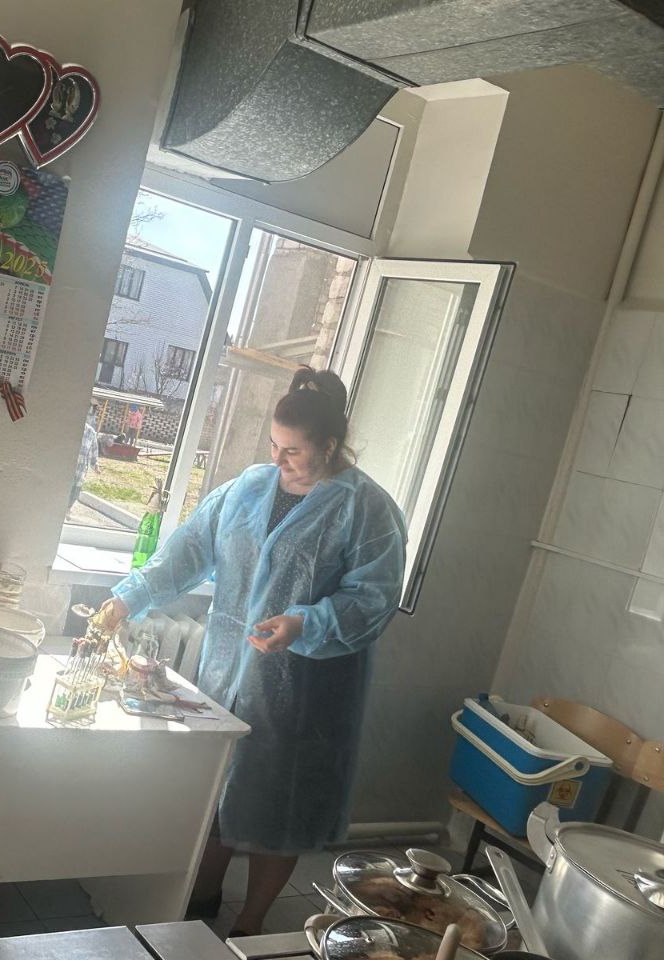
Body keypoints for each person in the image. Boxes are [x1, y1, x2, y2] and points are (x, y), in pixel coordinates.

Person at [98, 367, 405, 936]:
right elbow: (186, 552)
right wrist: (126, 598)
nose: (279, 459)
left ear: (329, 446)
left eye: (293, 450)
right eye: (273, 445)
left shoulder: (366, 509)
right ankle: (201, 896)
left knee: (280, 810)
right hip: (227, 674)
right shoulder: (248, 488)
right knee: (216, 794)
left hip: (306, 691)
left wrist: (304, 623)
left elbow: (373, 600)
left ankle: (252, 922)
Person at [69, 412, 101, 511]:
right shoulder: (71, 428)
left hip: (81, 469)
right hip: (68, 467)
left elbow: (94, 450)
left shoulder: (91, 432)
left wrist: (95, 465)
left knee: (75, 491)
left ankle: (68, 509)